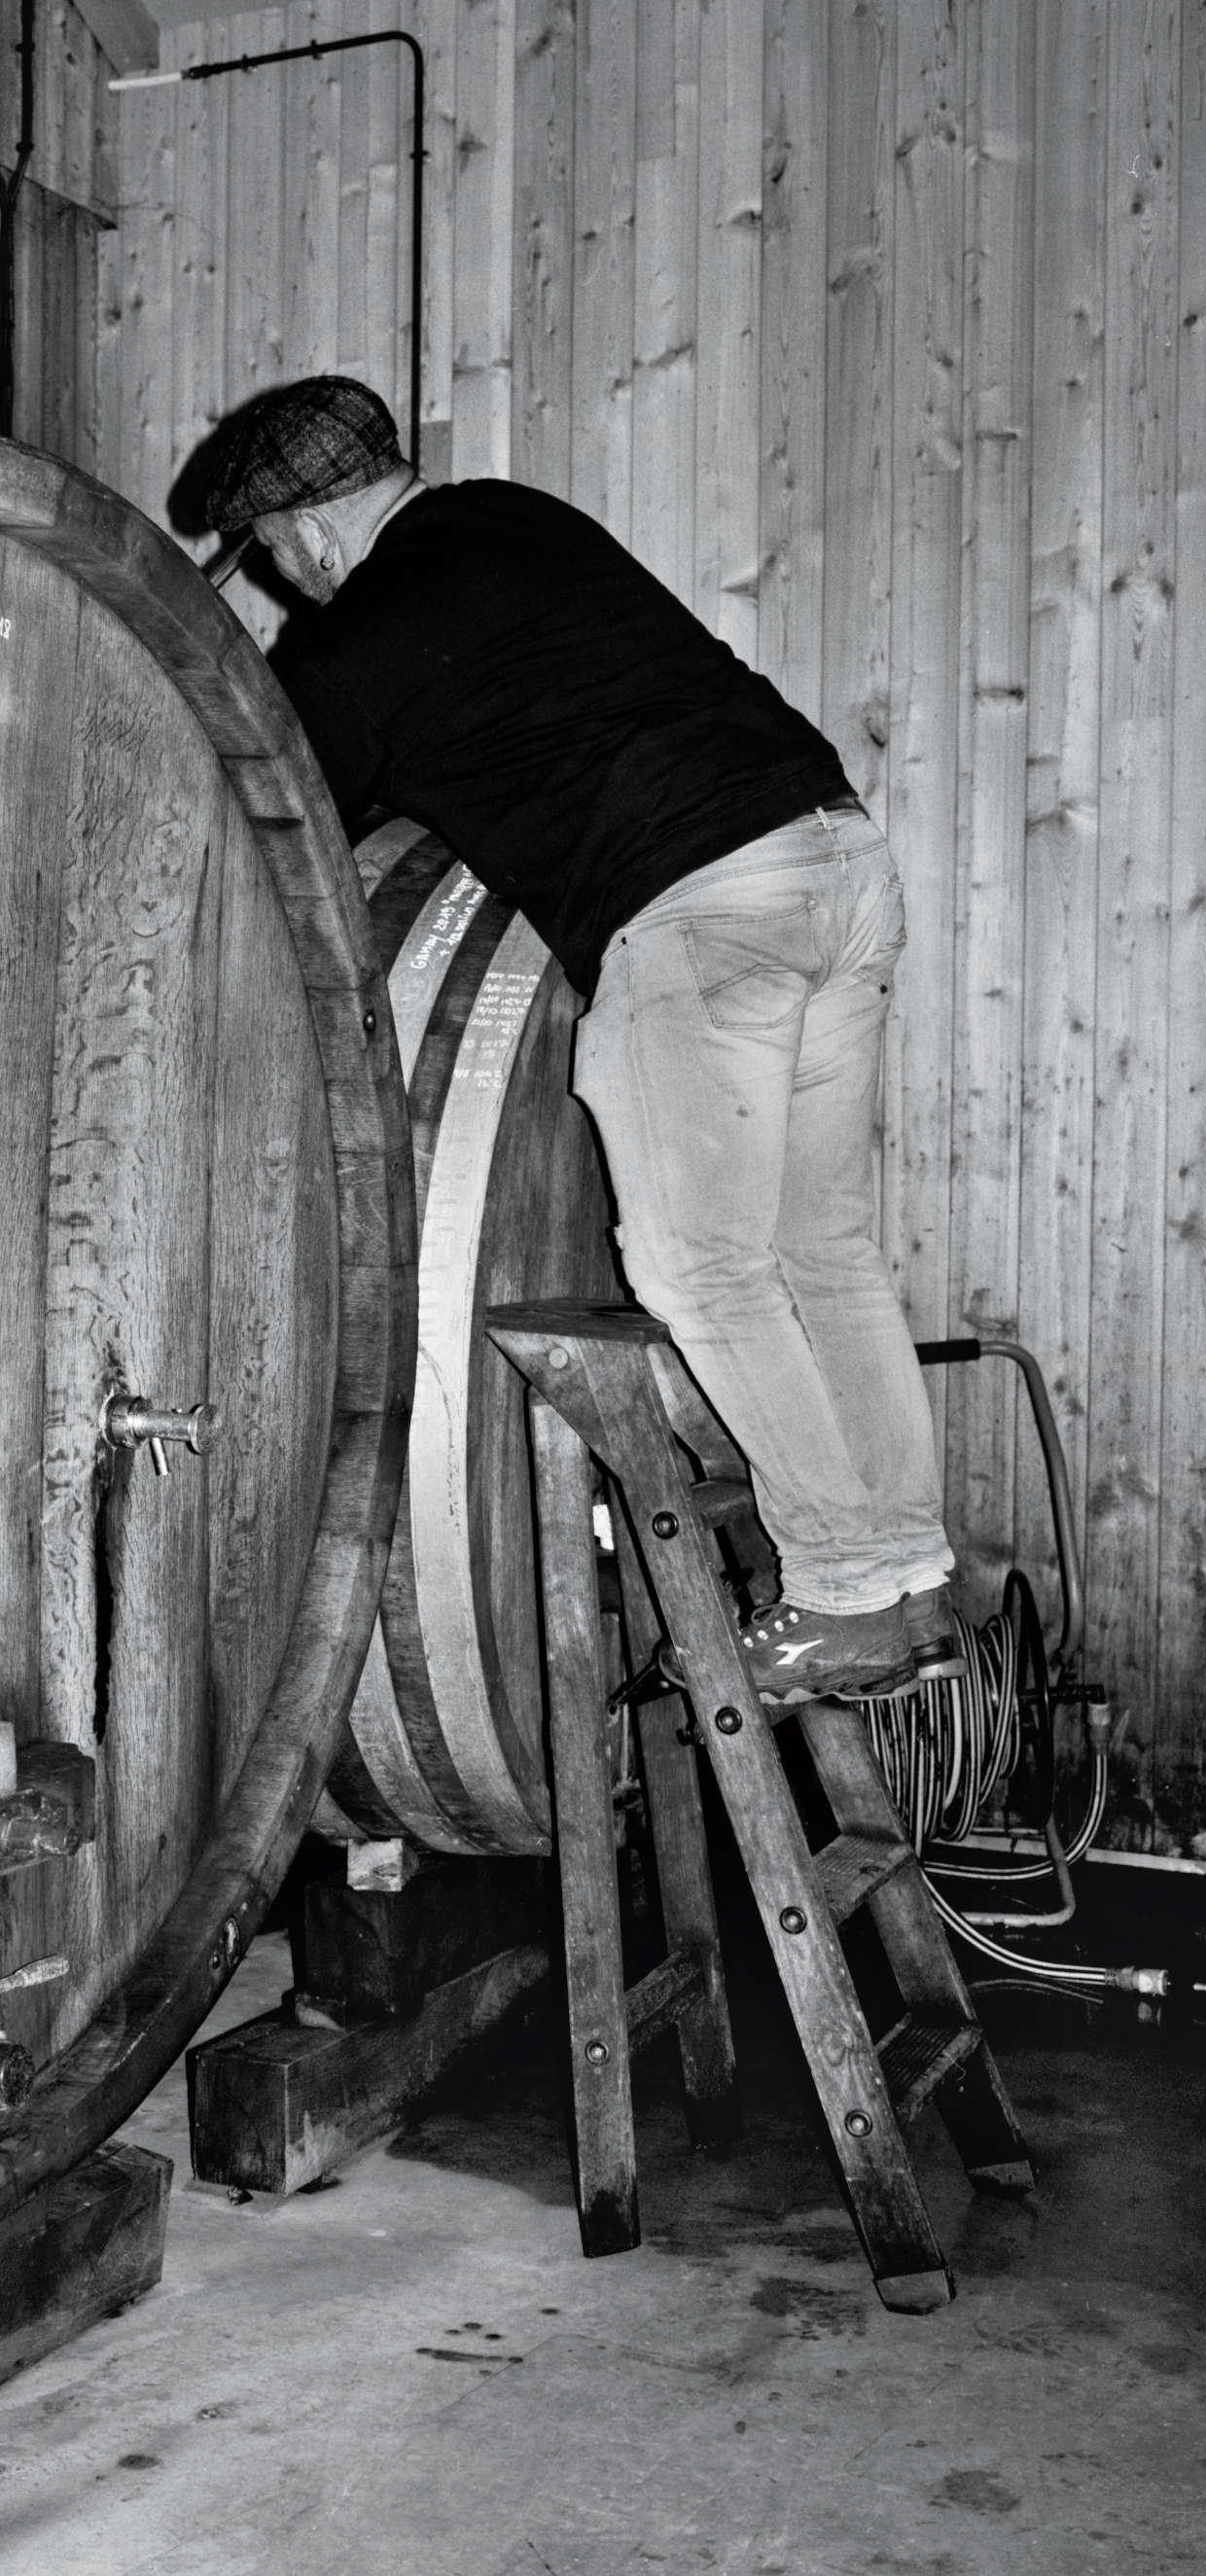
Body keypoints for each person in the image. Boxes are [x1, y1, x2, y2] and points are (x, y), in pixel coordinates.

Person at [199, 374, 959, 1708]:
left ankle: (841, 1588)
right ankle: (910, 1575)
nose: (290, 578)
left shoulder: (366, 626)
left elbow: (264, 794)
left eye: (275, 556)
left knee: (697, 1260)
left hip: (700, 901)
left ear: (306, 537)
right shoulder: (516, 518)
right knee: (818, 1248)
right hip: (833, 853)